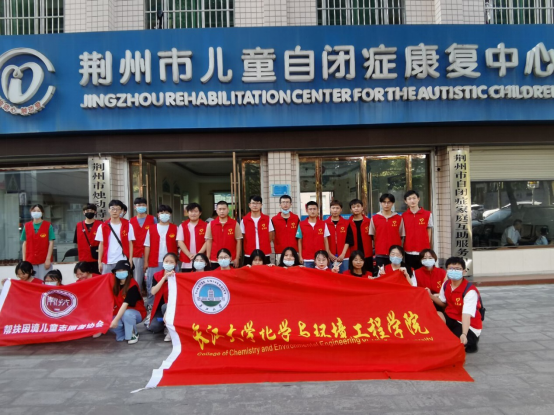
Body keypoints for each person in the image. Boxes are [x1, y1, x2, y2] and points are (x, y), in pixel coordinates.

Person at [428, 257, 483, 353]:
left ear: (464, 271)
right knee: (434, 315)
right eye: (451, 268)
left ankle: (468, 341)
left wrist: (464, 334)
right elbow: (442, 303)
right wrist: (430, 296)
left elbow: (466, 315)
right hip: (451, 317)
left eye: (457, 269)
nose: (454, 271)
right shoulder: (446, 284)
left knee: (453, 346)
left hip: (469, 325)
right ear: (446, 270)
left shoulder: (470, 291)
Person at [143, 205, 178, 322]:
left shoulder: (175, 228)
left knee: (172, 285)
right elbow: (147, 246)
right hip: (154, 261)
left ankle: (171, 309)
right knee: (152, 285)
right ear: (158, 214)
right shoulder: (151, 228)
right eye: (162, 212)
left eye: (167, 212)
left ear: (170, 215)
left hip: (171, 262)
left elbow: (179, 245)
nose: (164, 215)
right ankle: (151, 309)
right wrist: (146, 262)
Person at [109, 260, 146, 345]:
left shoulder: (133, 285)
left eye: (123, 270)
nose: (120, 272)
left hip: (135, 313)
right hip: (119, 312)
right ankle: (123, 332)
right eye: (118, 270)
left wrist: (116, 320)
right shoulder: (114, 284)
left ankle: (133, 334)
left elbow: (125, 305)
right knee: (109, 320)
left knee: (127, 314)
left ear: (128, 272)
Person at [95, 200, 135, 274]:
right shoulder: (102, 226)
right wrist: (99, 261)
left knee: (122, 280)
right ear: (109, 210)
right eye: (113, 208)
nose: (115, 211)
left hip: (122, 260)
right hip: (107, 261)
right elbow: (101, 244)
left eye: (117, 209)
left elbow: (130, 243)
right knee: (107, 281)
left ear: (121, 211)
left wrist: (130, 259)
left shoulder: (128, 225)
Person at [369, 194, 405, 270]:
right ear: (380, 203)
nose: (386, 204)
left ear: (392, 203)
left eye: (389, 202)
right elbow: (372, 235)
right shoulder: (374, 218)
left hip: (395, 254)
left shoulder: (399, 218)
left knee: (395, 273)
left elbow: (401, 235)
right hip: (380, 252)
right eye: (384, 202)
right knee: (381, 274)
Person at [148, 252, 178, 341]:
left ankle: (169, 328)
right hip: (159, 310)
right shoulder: (157, 275)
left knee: (165, 306)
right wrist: (164, 278)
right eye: (166, 261)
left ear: (175, 264)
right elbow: (153, 291)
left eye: (171, 262)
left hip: (171, 309)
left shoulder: (178, 277)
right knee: (153, 327)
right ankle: (165, 324)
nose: (168, 263)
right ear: (163, 262)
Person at [402, 190, 433, 274]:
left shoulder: (428, 214)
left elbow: (429, 230)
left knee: (423, 273)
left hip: (423, 250)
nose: (412, 201)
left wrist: (427, 246)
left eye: (414, 198)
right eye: (409, 199)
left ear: (418, 199)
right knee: (410, 273)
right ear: (406, 201)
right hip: (408, 249)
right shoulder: (404, 216)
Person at [21, 204, 55, 280]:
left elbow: (51, 242)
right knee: (33, 281)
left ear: (42, 213)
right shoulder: (26, 226)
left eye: (38, 211)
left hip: (44, 259)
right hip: (30, 259)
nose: (36, 212)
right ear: (31, 212)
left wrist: (48, 259)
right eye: (34, 211)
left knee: (45, 280)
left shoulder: (48, 225)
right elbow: (24, 243)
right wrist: (24, 261)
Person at [129, 197, 157, 290]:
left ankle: (151, 296)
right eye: (139, 205)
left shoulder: (153, 219)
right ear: (135, 207)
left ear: (146, 206)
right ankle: (138, 296)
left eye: (143, 205)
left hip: (151, 252)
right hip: (136, 253)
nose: (141, 207)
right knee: (137, 278)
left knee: (151, 277)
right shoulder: (131, 221)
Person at [205, 201, 242, 269]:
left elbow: (238, 241)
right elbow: (209, 242)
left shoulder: (235, 224)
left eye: (224, 209)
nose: (222, 211)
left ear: (228, 210)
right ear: (216, 211)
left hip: (231, 259)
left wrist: (237, 258)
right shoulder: (211, 224)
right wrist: (208, 258)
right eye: (220, 209)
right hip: (214, 259)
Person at [241, 196, 273, 265]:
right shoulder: (244, 220)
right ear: (249, 205)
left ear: (261, 205)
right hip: (249, 252)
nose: (255, 205)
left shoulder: (267, 219)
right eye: (253, 203)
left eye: (258, 203)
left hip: (264, 252)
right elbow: (243, 236)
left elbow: (270, 235)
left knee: (265, 270)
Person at [296, 201, 330, 268]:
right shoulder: (301, 224)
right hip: (307, 258)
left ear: (317, 210)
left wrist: (327, 255)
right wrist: (300, 256)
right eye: (310, 209)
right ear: (307, 210)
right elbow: (299, 241)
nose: (312, 211)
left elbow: (326, 240)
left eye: (314, 209)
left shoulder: (323, 224)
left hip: (321, 258)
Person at [325, 200, 354, 274]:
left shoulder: (346, 223)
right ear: (330, 209)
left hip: (344, 256)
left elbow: (349, 239)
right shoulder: (325, 223)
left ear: (341, 209)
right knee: (330, 277)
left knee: (344, 276)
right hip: (329, 257)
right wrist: (329, 254)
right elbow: (324, 240)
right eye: (333, 208)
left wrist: (343, 254)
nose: (335, 210)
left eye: (337, 208)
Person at [177, 202, 207, 272]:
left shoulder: (206, 225)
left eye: (196, 211)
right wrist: (189, 254)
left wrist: (198, 255)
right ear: (187, 213)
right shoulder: (182, 225)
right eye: (191, 211)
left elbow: (207, 242)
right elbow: (180, 242)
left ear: (200, 213)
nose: (193, 213)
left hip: (201, 259)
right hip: (186, 259)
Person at [73, 203, 102, 275]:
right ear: (83, 212)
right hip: (83, 258)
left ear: (95, 212)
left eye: (91, 210)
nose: (89, 212)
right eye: (87, 210)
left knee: (97, 277)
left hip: (97, 258)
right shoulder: (79, 225)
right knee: (84, 278)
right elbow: (76, 241)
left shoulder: (100, 224)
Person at [271, 195, 300, 265]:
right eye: (283, 202)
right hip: (280, 251)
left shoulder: (296, 218)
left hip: (294, 251)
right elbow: (272, 236)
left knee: (294, 270)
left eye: (287, 202)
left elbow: (299, 235)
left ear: (291, 204)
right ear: (280, 204)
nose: (285, 204)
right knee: (280, 270)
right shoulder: (274, 219)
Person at [348, 199, 373, 275]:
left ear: (362, 208)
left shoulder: (369, 221)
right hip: (353, 252)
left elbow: (374, 237)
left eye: (358, 206)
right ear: (351, 210)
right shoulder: (348, 223)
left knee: (368, 273)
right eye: (353, 207)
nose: (356, 208)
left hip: (367, 253)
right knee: (353, 274)